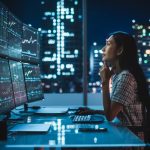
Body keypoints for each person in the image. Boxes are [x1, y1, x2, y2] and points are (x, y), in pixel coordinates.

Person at [99, 31, 150, 141]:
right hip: (125, 136)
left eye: (108, 44)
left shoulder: (126, 77)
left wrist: (105, 81)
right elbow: (115, 111)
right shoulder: (119, 75)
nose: (103, 49)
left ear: (120, 50)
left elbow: (110, 115)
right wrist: (92, 111)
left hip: (132, 140)